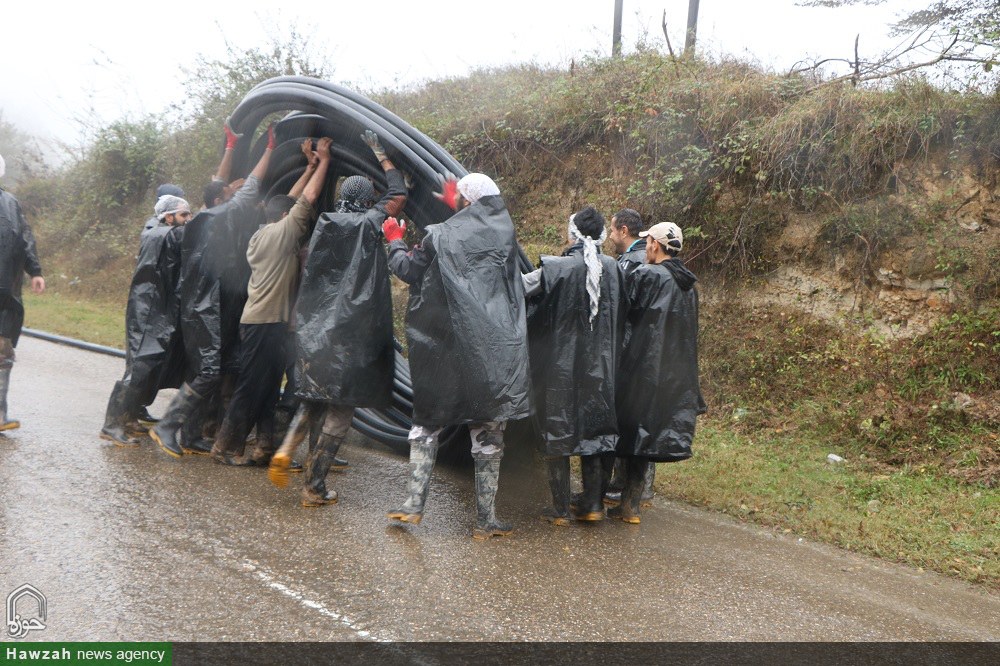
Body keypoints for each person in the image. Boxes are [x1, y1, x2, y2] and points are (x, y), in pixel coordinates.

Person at [383, 173, 530, 540]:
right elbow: (475, 234)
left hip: (445, 349)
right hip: (493, 352)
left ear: (466, 201)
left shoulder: (440, 234)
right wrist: (462, 203)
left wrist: (395, 241)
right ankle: (486, 522)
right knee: (488, 432)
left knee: (428, 423)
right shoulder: (505, 234)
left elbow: (409, 270)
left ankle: (413, 506)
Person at [269, 131, 407, 507]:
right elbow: (398, 193)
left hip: (316, 331)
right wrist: (381, 153)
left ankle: (286, 448)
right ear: (367, 201)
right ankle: (314, 486)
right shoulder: (372, 221)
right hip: (352, 334)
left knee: (314, 397)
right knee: (341, 410)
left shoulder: (324, 224)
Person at [210, 137, 334, 473]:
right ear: (285, 217)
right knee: (251, 386)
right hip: (264, 323)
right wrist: (323, 160)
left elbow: (291, 199)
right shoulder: (282, 234)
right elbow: (304, 200)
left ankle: (265, 446)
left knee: (266, 387)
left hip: (266, 322)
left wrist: (307, 167)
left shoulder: (264, 233)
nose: (300, 220)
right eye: (292, 216)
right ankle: (225, 445)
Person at [150, 125, 275, 458]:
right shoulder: (222, 215)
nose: (236, 194)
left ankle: (191, 435)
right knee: (207, 371)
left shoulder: (204, 218)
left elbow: (224, 187)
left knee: (202, 368)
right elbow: (250, 186)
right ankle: (166, 426)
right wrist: (270, 150)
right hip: (207, 309)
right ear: (222, 199)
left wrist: (232, 147)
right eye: (229, 193)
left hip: (201, 307)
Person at [522, 207, 627, 525]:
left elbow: (520, 290)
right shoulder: (614, 269)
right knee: (595, 432)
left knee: (560, 430)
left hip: (561, 368)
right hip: (601, 368)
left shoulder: (557, 268)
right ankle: (593, 506)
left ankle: (559, 510)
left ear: (573, 234)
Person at [614, 221, 705, 524]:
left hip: (639, 367)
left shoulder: (646, 275)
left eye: (648, 243)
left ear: (654, 244)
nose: (646, 248)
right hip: (670, 373)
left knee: (625, 430)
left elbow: (623, 318)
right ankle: (631, 507)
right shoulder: (688, 286)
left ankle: (599, 500)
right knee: (644, 436)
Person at [100, 195, 191, 447]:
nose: (188, 220)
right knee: (138, 369)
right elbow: (195, 235)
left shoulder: (158, 233)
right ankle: (111, 425)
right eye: (184, 215)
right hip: (147, 311)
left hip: (154, 309)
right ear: (169, 216)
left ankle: (128, 419)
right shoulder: (165, 234)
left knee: (147, 368)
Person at [604, 207, 657, 507]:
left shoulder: (636, 262)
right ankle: (623, 482)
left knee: (633, 416)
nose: (610, 235)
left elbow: (629, 310)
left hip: (632, 351)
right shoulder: (630, 259)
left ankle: (636, 487)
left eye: (612, 230)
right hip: (630, 349)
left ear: (624, 231)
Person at [0, 154, 45, 431]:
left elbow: (25, 238)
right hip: (7, 291)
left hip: (6, 293)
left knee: (3, 352)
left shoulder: (11, 204)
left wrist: (35, 271)